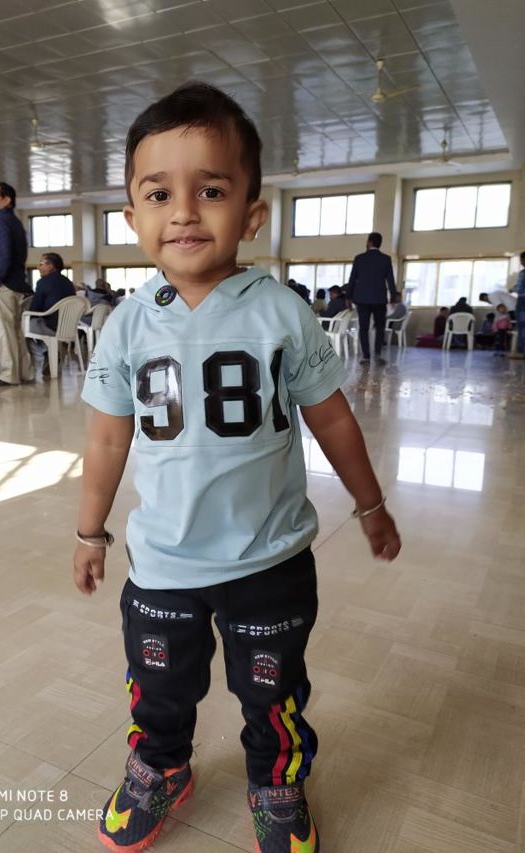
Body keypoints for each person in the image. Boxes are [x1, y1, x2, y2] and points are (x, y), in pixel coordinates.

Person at [73, 81, 401, 853]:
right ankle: (160, 765)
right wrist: (90, 531)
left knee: (272, 688)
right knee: (159, 686)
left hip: (269, 560)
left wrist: (370, 503)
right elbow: (108, 440)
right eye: (160, 193)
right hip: (162, 562)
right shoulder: (125, 325)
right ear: (132, 216)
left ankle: (277, 780)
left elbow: (331, 418)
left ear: (252, 213)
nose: (184, 211)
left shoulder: (280, 312)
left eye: (211, 190)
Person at [0, 181, 33, 387]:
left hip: (3, 283)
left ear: (7, 200)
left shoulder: (0, 222)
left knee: (3, 330)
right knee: (15, 331)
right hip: (15, 282)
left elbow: (4, 252)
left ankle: (9, 374)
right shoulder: (14, 222)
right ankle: (24, 373)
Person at [347, 232, 397, 365]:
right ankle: (378, 354)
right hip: (379, 299)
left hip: (362, 299)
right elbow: (390, 280)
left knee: (363, 327)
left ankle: (366, 356)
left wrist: (349, 297)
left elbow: (352, 279)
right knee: (380, 327)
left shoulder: (359, 258)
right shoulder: (385, 259)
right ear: (380, 243)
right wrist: (393, 298)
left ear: (369, 242)